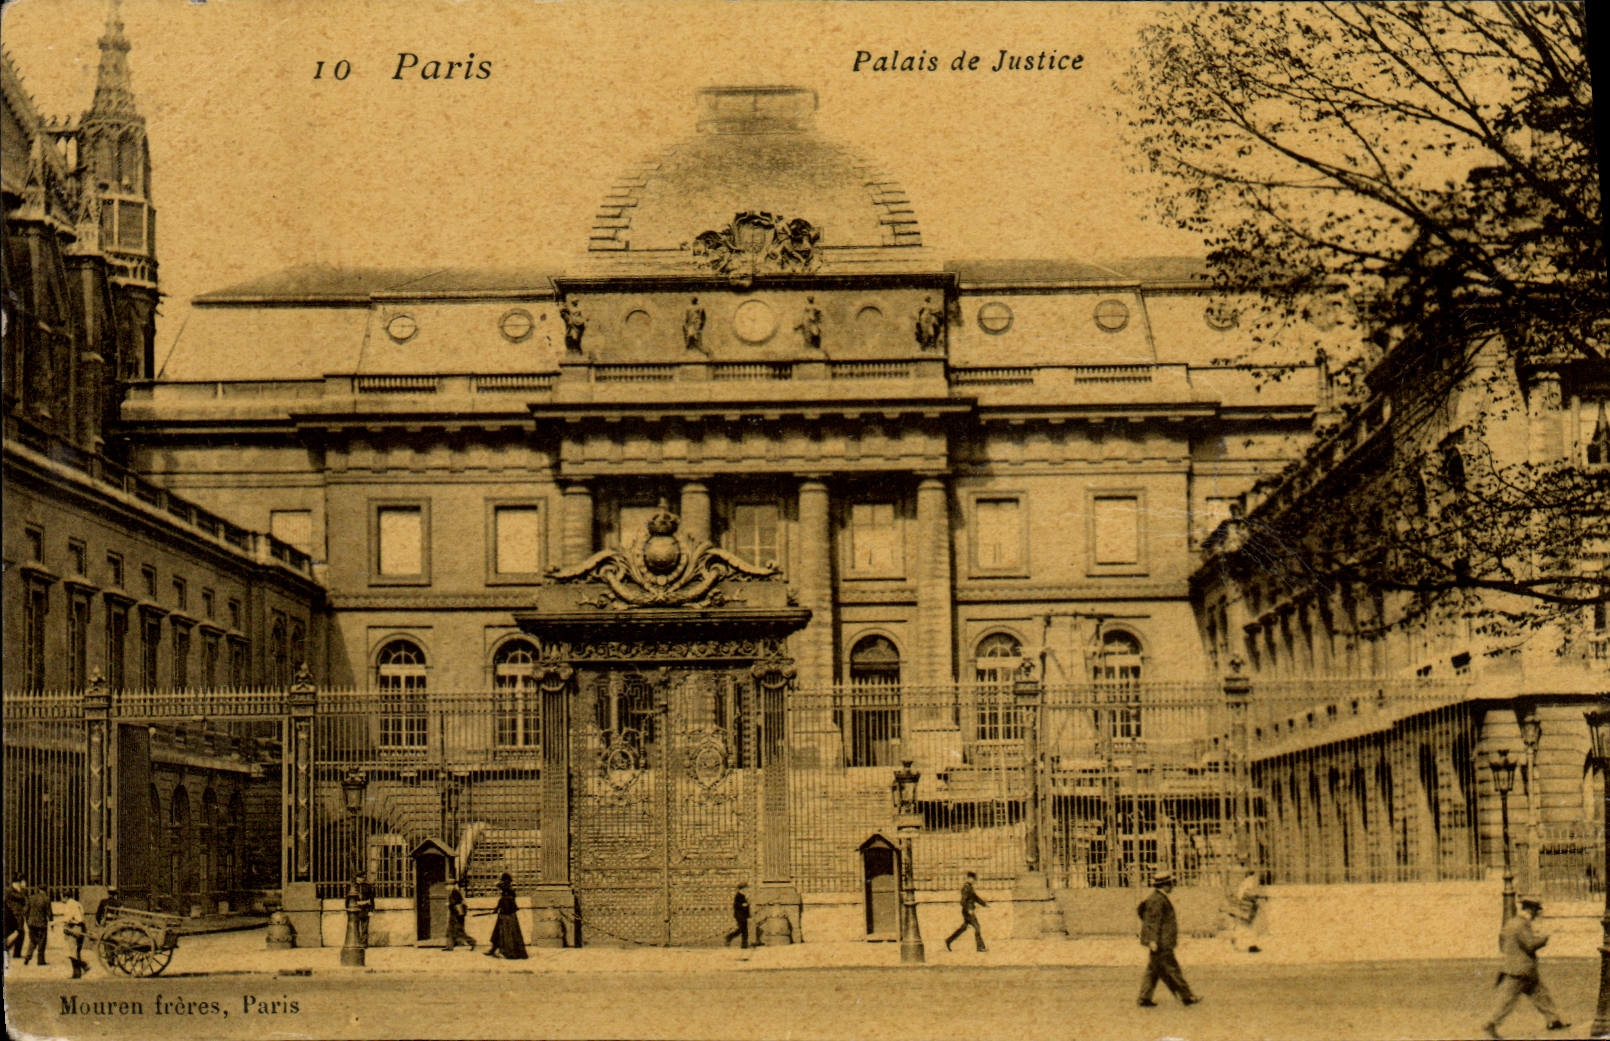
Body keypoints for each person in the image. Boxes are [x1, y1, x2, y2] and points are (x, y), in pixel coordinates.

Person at [1482, 896, 1570, 1039]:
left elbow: (1502, 940)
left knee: (1540, 994)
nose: (1536, 915)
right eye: (1536, 911)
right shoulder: (1521, 924)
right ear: (1531, 910)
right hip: (1520, 969)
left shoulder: (1511, 922)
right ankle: (1491, 1023)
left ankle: (1554, 1020)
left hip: (1518, 967)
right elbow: (1530, 944)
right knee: (1507, 1000)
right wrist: (1544, 939)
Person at [1136, 872, 1201, 1007]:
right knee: (1173, 969)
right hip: (1161, 942)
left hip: (1160, 941)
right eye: (1171, 883)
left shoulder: (1157, 898)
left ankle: (1144, 997)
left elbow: (1142, 913)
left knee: (1153, 970)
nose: (1172, 886)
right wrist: (1152, 940)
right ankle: (1187, 996)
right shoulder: (1157, 900)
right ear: (1164, 885)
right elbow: (1153, 921)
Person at [485, 873, 527, 959]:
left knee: (507, 933)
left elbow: (502, 896)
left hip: (507, 915)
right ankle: (494, 949)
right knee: (497, 933)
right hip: (505, 914)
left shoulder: (508, 890)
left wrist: (497, 909)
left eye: (503, 880)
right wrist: (497, 909)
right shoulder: (508, 890)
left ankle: (508, 952)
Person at [944, 871, 988, 952]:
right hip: (968, 912)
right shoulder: (965, 888)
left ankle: (948, 940)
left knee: (963, 928)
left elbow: (976, 898)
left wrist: (984, 904)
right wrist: (969, 910)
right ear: (969, 878)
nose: (974, 881)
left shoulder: (970, 887)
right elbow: (962, 901)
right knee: (977, 928)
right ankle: (980, 947)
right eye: (973, 879)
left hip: (968, 911)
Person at [1229, 867, 1267, 953]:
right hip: (1248, 905)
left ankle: (1243, 941)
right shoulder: (1251, 881)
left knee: (1245, 925)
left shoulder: (1245, 882)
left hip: (1246, 905)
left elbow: (1241, 894)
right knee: (1249, 925)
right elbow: (1250, 893)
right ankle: (1250, 945)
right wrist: (1258, 897)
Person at [21, 882, 53, 966]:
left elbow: (25, 911)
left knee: (32, 941)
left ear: (38, 889)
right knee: (42, 942)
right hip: (42, 924)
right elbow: (49, 913)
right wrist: (51, 921)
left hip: (31, 923)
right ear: (46, 890)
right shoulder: (46, 899)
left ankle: (28, 957)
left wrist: (28, 920)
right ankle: (40, 961)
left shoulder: (31, 898)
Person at [62, 892, 89, 978]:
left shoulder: (69, 905)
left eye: (62, 898)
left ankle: (83, 966)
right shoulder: (77, 903)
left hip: (74, 928)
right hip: (81, 927)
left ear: (66, 897)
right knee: (77, 952)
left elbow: (67, 918)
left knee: (72, 952)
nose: (62, 900)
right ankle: (77, 973)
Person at [443, 877, 474, 952]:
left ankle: (472, 942)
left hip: (456, 915)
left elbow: (456, 902)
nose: (446, 887)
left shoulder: (455, 892)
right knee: (450, 930)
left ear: (452, 885)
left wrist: (449, 904)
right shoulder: (454, 892)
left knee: (458, 931)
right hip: (454, 914)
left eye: (447, 885)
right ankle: (449, 946)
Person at [346, 872, 375, 947]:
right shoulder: (352, 887)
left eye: (363, 878)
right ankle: (356, 943)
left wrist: (371, 910)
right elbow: (348, 899)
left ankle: (364, 944)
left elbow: (371, 899)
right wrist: (347, 909)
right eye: (361, 877)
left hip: (365, 910)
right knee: (355, 928)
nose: (362, 879)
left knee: (364, 929)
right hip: (356, 910)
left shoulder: (367, 887)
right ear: (357, 878)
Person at [4, 876, 26, 962]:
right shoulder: (10, 891)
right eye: (21, 882)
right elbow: (21, 898)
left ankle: (17, 953)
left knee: (20, 933)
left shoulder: (17, 891)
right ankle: (7, 949)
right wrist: (22, 891)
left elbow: (24, 901)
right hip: (12, 915)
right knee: (14, 933)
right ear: (17, 882)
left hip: (18, 915)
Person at [724, 883, 750, 948]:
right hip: (739, 916)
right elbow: (736, 905)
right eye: (745, 888)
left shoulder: (743, 895)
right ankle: (729, 937)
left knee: (744, 930)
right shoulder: (738, 896)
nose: (746, 890)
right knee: (742, 930)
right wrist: (742, 905)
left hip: (743, 916)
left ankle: (744, 945)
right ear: (741, 889)